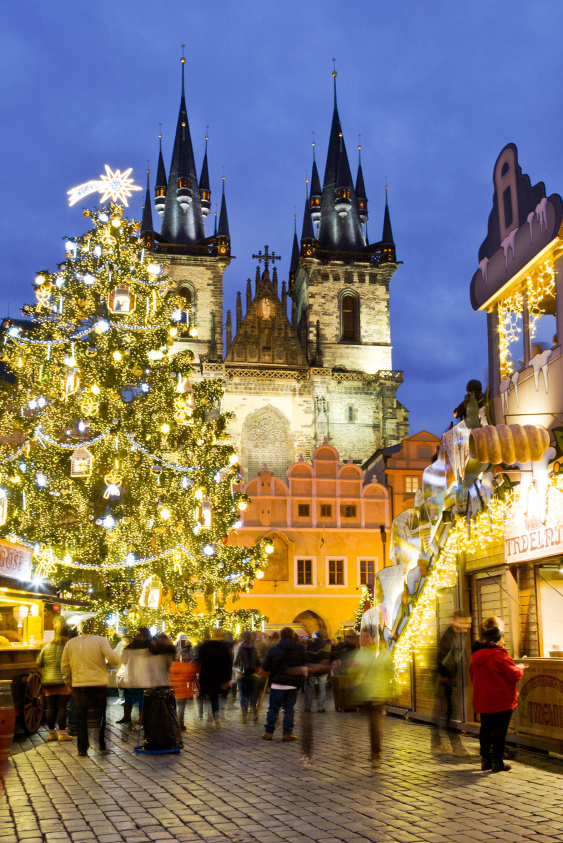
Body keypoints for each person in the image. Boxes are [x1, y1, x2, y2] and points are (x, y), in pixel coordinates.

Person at [470, 624, 526, 772]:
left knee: (486, 728)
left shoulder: (476, 656)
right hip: (501, 699)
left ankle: (485, 760)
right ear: (498, 639)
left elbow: (472, 677)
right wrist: (520, 668)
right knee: (500, 731)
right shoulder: (500, 656)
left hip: (484, 699)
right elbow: (513, 675)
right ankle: (498, 762)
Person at [61, 630, 119, 757]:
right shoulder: (100, 640)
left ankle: (82, 748)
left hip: (79, 684)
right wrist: (109, 664)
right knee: (101, 714)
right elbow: (112, 658)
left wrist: (68, 681)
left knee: (81, 716)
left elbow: (64, 664)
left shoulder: (71, 643)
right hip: (99, 683)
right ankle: (101, 743)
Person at [348, 631, 395, 768]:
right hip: (364, 693)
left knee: (374, 726)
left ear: (374, 638)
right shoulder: (360, 653)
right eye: (362, 637)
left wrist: (384, 677)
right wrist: (353, 668)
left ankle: (376, 754)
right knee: (370, 726)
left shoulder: (383, 653)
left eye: (366, 636)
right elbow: (353, 672)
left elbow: (390, 670)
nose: (363, 639)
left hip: (378, 693)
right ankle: (373, 752)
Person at [432, 609, 471, 756]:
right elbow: (442, 658)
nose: (467, 626)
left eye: (468, 623)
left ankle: (437, 743)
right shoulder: (448, 636)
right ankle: (455, 746)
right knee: (447, 713)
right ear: (455, 621)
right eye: (464, 622)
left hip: (451, 679)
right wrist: (446, 676)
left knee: (444, 712)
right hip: (443, 679)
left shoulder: (461, 635)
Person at [119, 628, 176, 724]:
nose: (137, 636)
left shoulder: (151, 647)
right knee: (131, 697)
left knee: (144, 698)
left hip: (147, 677)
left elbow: (165, 656)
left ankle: (143, 718)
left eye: (140, 634)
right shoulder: (138, 645)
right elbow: (125, 657)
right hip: (137, 676)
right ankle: (131, 716)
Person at [260, 627, 306, 742]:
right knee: (289, 709)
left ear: (281, 636)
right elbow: (305, 664)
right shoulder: (300, 649)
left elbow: (265, 666)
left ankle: (269, 732)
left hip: (277, 683)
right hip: (293, 683)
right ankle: (287, 733)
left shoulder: (273, 649)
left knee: (273, 709)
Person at [36, 623, 73, 742]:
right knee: (62, 707)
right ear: (67, 635)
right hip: (63, 681)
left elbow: (39, 663)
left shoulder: (47, 647)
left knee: (51, 707)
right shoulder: (67, 647)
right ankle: (62, 733)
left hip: (48, 682)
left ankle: (51, 733)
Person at [195, 628, 232, 728]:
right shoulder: (224, 647)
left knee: (208, 696)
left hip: (206, 676)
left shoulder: (204, 646)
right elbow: (228, 664)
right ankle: (216, 716)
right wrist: (227, 678)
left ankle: (209, 716)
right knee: (214, 697)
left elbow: (198, 660)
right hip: (219, 676)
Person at [234, 630, 260, 723]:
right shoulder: (254, 647)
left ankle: (244, 715)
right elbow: (258, 661)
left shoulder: (239, 646)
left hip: (241, 675)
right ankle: (253, 712)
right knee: (252, 694)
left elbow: (235, 662)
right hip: (253, 674)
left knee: (242, 694)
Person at [169, 647, 197, 730]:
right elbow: (192, 677)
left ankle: (173, 723)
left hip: (174, 689)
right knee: (181, 708)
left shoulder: (172, 665)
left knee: (174, 707)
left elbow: (169, 676)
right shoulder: (188, 666)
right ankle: (180, 724)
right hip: (184, 690)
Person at [304, 629, 331, 713]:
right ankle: (320, 707)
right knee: (322, 687)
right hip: (322, 668)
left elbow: (307, 655)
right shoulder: (328, 645)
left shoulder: (311, 644)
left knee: (309, 687)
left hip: (312, 668)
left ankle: (307, 706)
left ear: (317, 636)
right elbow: (328, 656)